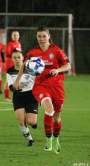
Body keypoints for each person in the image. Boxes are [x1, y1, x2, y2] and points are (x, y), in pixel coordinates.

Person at [13, 26, 71, 154]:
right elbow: (24, 65)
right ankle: (48, 139)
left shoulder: (56, 51)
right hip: (40, 85)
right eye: (39, 36)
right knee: (48, 110)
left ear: (49, 36)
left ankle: (56, 139)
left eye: (44, 36)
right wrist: (17, 80)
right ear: (37, 37)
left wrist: (58, 70)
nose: (41, 39)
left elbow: (68, 65)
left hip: (56, 86)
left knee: (56, 118)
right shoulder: (33, 52)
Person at [7, 49, 37, 147]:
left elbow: (36, 81)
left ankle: (33, 123)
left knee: (31, 121)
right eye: (14, 58)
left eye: (19, 57)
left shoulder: (31, 69)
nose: (17, 59)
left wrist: (22, 84)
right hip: (18, 97)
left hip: (31, 95)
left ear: (23, 58)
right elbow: (12, 88)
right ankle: (30, 140)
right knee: (21, 120)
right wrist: (20, 86)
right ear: (12, 59)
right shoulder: (10, 71)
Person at [4, 31, 22, 102]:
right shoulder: (10, 44)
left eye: (17, 35)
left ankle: (18, 96)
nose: (16, 36)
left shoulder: (18, 43)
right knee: (8, 80)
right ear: (11, 36)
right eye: (14, 35)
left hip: (17, 64)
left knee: (18, 79)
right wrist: (16, 52)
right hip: (9, 63)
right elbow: (7, 53)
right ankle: (6, 97)